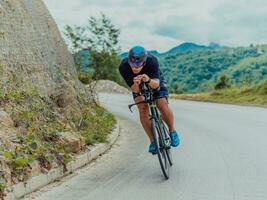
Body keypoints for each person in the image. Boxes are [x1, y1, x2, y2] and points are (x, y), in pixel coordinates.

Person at [119, 46, 180, 154]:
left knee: (161, 103)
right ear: (129, 61)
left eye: (138, 65)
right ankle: (153, 141)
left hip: (153, 80)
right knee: (142, 108)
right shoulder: (123, 66)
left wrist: (148, 80)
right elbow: (134, 89)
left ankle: (172, 130)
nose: (135, 68)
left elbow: (156, 85)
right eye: (132, 65)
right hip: (137, 85)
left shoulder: (152, 61)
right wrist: (137, 83)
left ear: (144, 62)